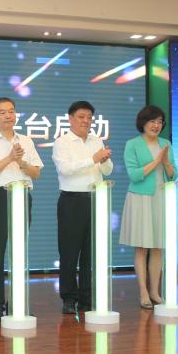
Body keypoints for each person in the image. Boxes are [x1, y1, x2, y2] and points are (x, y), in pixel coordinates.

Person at [0, 96, 43, 321]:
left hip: (22, 195)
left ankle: (17, 303)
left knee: (19, 251)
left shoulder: (26, 140)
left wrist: (21, 162)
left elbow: (36, 172)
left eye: (12, 111)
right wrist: (9, 158)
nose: (8, 115)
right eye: (3, 112)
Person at [52, 100, 112, 315]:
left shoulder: (96, 140)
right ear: (70, 119)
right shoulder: (62, 142)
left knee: (91, 252)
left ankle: (88, 296)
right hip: (72, 201)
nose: (86, 121)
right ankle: (69, 297)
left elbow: (107, 170)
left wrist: (104, 160)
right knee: (69, 252)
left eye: (89, 117)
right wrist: (92, 159)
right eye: (81, 117)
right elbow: (66, 169)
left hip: (96, 199)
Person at [121, 105, 175, 309]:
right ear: (143, 123)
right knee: (142, 246)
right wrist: (157, 160)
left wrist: (166, 162)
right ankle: (143, 291)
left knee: (158, 246)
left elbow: (173, 175)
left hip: (160, 197)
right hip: (140, 198)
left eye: (160, 122)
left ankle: (155, 292)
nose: (156, 125)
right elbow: (134, 175)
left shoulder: (166, 143)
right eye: (152, 121)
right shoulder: (132, 144)